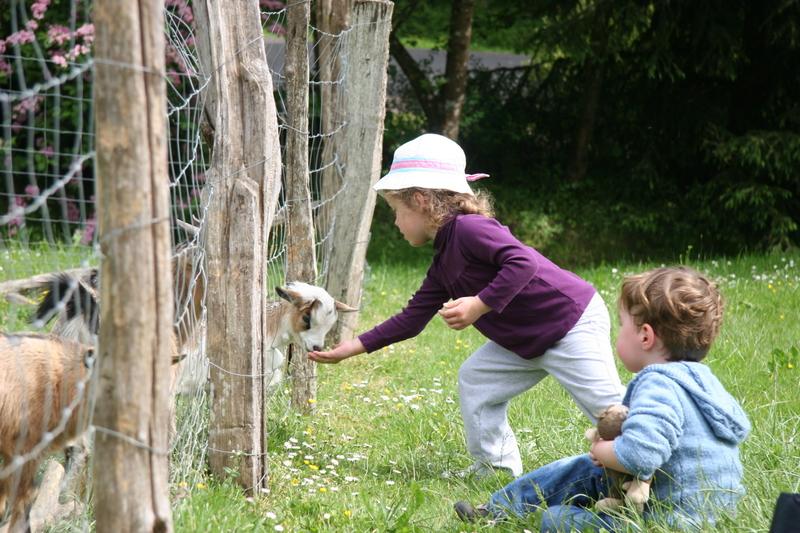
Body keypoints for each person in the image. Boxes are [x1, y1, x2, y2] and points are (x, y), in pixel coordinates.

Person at [309, 133, 625, 477]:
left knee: (609, 409)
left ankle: (659, 460)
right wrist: (348, 350)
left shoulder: (470, 228)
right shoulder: (444, 260)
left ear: (420, 201)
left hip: (568, 322)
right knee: (476, 379)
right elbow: (411, 319)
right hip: (527, 340)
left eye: (396, 212)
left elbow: (522, 263)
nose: (396, 223)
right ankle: (495, 469)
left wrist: (479, 303)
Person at [454, 266, 751, 531]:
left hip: (665, 521)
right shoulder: (705, 382)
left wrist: (602, 448)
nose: (618, 334)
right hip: (718, 515)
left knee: (556, 518)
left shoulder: (658, 384)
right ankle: (497, 509)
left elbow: (639, 455)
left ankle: (500, 510)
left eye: (622, 326)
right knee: (585, 471)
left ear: (645, 337)